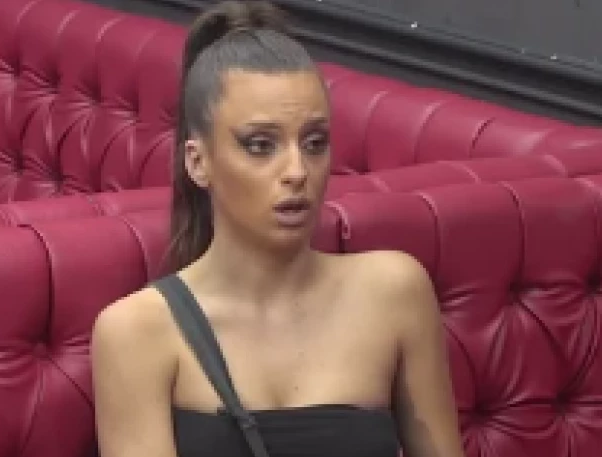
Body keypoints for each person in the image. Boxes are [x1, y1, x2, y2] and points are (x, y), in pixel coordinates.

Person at [91, 1, 465, 456]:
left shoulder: (393, 291)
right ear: (198, 161)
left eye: (315, 143)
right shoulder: (136, 332)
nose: (297, 171)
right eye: (260, 145)